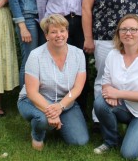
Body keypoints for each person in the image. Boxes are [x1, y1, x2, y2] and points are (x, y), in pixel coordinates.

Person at [93, 14, 138, 159]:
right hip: (126, 106)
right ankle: (111, 141)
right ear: (118, 33)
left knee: (130, 154)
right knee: (101, 103)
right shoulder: (112, 55)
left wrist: (118, 94)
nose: (128, 33)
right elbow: (106, 82)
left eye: (133, 29)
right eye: (124, 29)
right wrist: (109, 92)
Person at [36, 0, 92, 115]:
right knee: (56, 64)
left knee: (78, 65)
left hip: (79, 24)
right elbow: (41, 2)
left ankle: (80, 110)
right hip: (57, 25)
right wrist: (46, 27)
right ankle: (52, 107)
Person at [17, 14, 89, 151]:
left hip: (65, 103)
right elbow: (32, 93)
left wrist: (60, 106)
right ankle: (38, 134)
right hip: (34, 101)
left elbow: (78, 88)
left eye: (62, 31)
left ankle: (56, 125)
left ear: (67, 33)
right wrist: (51, 111)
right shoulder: (36, 55)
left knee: (80, 141)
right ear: (46, 35)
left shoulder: (78, 54)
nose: (59, 35)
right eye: (53, 32)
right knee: (42, 119)